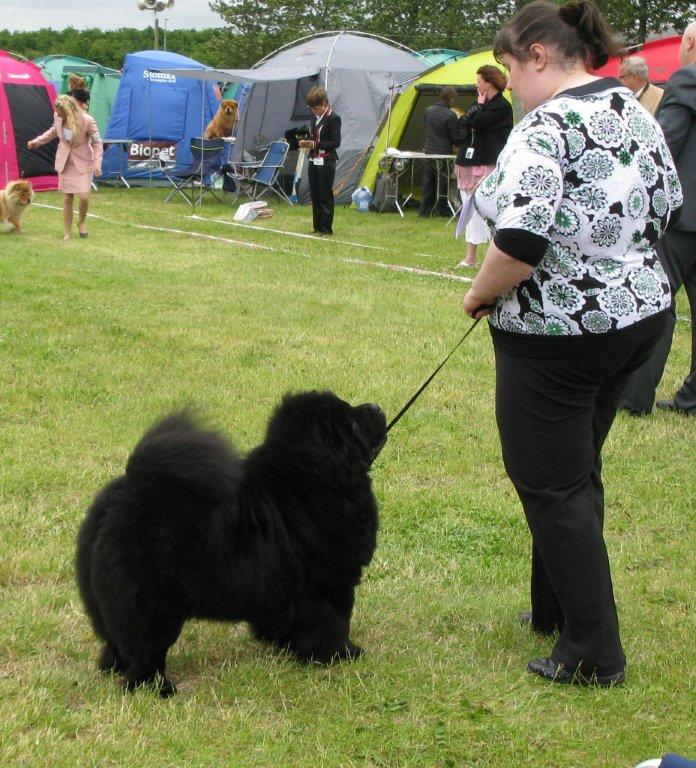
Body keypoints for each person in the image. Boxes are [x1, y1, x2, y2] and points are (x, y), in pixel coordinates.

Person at [462, 0, 682, 686]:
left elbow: (520, 243)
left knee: (552, 485)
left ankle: (593, 652)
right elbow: (668, 202)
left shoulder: (546, 126)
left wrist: (480, 294)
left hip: (559, 333)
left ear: (537, 57)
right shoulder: (633, 109)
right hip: (637, 316)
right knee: (576, 470)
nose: (509, 83)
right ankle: (554, 608)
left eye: (508, 67)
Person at [620, 22, 696, 416]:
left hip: (684, 218)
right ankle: (692, 397)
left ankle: (634, 396)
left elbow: (664, 146)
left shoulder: (687, 79)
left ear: (688, 43)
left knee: (659, 304)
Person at [454, 65, 513, 267]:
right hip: (468, 163)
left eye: (479, 80)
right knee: (469, 212)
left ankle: (492, 257)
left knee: (486, 210)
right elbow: (463, 124)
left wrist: (477, 110)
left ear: (489, 82)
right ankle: (470, 257)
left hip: (487, 165)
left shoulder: (501, 107)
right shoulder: (478, 104)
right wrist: (476, 109)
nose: (476, 84)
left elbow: (478, 122)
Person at [28, 94, 103, 240]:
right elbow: (53, 132)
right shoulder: (58, 117)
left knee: (84, 196)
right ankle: (67, 233)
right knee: (68, 197)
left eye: (59, 112)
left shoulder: (87, 120)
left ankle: (81, 223)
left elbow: (98, 143)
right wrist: (36, 142)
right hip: (65, 163)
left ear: (68, 110)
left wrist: (97, 163)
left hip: (83, 162)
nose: (57, 114)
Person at [298, 87, 341, 236]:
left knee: (325, 195)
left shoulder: (333, 118)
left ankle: (326, 229)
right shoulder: (314, 118)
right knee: (315, 194)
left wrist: (316, 144)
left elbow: (336, 143)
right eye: (311, 108)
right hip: (313, 160)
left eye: (315, 108)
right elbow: (314, 136)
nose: (313, 111)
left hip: (327, 161)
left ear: (324, 104)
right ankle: (317, 227)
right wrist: (306, 142)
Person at [419, 86, 458, 218]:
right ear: (450, 98)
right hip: (444, 152)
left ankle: (424, 210)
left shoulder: (428, 111)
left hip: (429, 150)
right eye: (453, 99)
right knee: (443, 182)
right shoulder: (451, 115)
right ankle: (440, 209)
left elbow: (429, 128)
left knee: (428, 181)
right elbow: (454, 136)